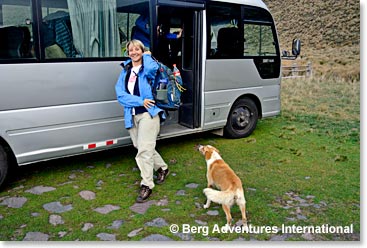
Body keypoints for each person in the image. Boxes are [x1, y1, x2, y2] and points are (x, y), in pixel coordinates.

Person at [115, 39, 169, 203]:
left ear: (142, 50)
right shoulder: (126, 70)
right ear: (128, 52)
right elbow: (120, 95)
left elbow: (153, 68)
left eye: (137, 49)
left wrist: (147, 55)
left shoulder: (148, 67)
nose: (134, 52)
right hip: (132, 114)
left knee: (144, 151)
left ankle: (147, 185)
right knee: (141, 146)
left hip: (149, 114)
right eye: (131, 50)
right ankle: (162, 168)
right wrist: (140, 101)